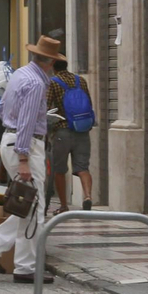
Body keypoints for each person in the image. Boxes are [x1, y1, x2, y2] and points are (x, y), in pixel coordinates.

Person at [0, 36, 65, 283]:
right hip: (25, 145)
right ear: (50, 62)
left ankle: (2, 253)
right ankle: (14, 260)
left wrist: (12, 138)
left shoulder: (20, 75)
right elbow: (25, 121)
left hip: (11, 140)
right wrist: (23, 157)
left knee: (27, 206)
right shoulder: (36, 83)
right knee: (34, 208)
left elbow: (2, 108)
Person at [46, 58, 96, 213]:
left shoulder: (53, 82)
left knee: (59, 170)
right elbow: (89, 103)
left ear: (53, 65)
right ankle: (87, 196)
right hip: (81, 129)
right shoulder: (80, 81)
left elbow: (46, 106)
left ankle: (63, 205)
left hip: (62, 131)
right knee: (83, 167)